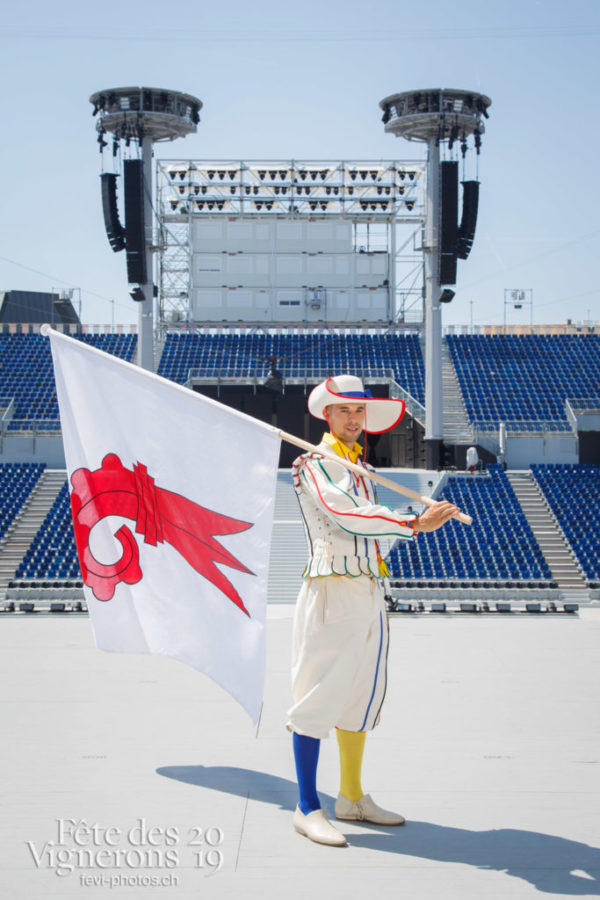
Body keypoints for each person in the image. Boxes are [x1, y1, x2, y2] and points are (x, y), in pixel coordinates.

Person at [287, 375, 460, 846]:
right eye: (344, 410)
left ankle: (352, 797)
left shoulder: (360, 468)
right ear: (327, 415)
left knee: (361, 695)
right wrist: (413, 522)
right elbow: (345, 515)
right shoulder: (311, 463)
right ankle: (307, 806)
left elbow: (370, 530)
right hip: (330, 590)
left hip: (367, 590)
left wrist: (408, 524)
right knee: (317, 697)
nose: (353, 418)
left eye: (359, 412)